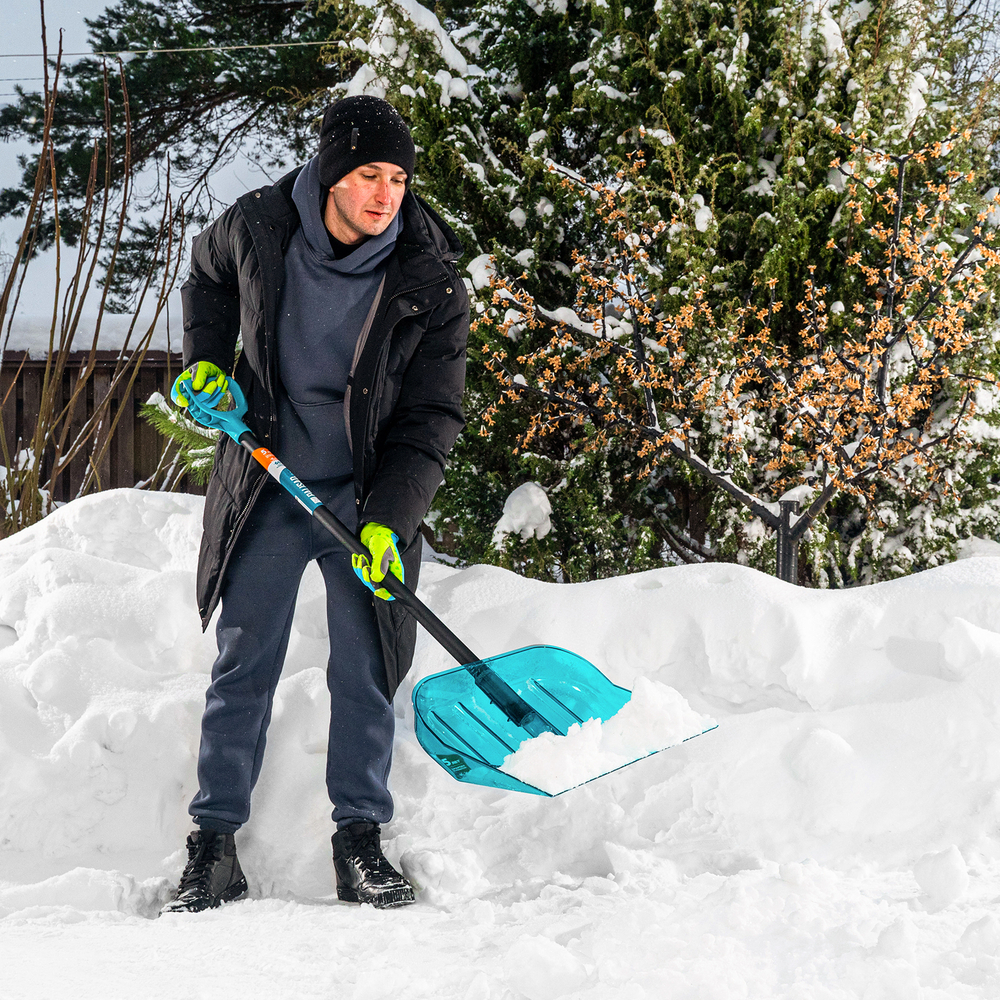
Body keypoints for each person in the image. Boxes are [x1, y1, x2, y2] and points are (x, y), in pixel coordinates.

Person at [160, 95, 469, 912]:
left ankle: (359, 840)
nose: (385, 195)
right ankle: (213, 845)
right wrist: (205, 360)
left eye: (398, 178)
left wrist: (391, 520)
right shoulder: (260, 226)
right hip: (267, 476)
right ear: (331, 175)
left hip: (365, 495)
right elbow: (205, 274)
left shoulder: (430, 277)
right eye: (368, 175)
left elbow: (431, 416)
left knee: (366, 668)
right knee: (244, 661)